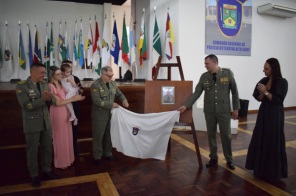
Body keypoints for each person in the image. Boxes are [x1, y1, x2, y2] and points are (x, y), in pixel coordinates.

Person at [178, 54, 240, 170]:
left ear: (214, 62)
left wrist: (235, 109)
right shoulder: (204, 77)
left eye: (207, 63)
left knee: (226, 135)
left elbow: (235, 92)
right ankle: (213, 158)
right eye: (205, 63)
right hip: (210, 111)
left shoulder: (227, 74)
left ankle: (229, 159)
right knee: (211, 135)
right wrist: (186, 105)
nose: (205, 66)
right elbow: (197, 93)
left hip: (223, 111)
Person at [16, 62, 59, 187]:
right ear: (33, 72)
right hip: (32, 123)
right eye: (42, 73)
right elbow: (27, 106)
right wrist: (43, 100)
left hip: (46, 121)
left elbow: (51, 102)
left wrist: (50, 98)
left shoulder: (45, 84)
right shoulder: (22, 86)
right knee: (32, 150)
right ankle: (34, 174)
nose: (44, 75)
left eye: (45, 73)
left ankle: (47, 170)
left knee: (47, 147)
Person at [245, 58, 288, 181]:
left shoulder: (282, 82)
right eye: (264, 67)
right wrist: (261, 94)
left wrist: (266, 92)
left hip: (275, 114)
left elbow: (278, 100)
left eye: (266, 68)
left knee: (273, 139)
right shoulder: (264, 80)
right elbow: (258, 97)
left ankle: (272, 172)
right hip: (264, 112)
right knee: (261, 137)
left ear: (274, 69)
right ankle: (260, 169)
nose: (263, 70)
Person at [90, 66, 129, 165]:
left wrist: (124, 100)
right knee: (98, 136)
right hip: (99, 115)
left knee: (109, 134)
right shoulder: (95, 85)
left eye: (112, 76)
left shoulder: (112, 84)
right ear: (103, 74)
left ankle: (107, 153)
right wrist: (111, 105)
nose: (111, 78)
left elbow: (119, 94)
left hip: (111, 115)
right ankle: (97, 156)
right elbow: (97, 101)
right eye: (109, 76)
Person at [48, 66, 85, 169]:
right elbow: (58, 103)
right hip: (57, 112)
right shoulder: (50, 86)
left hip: (65, 111)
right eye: (58, 74)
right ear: (52, 75)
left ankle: (69, 160)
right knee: (59, 137)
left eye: (61, 73)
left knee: (67, 136)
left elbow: (71, 92)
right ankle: (61, 162)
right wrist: (74, 99)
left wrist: (77, 97)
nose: (60, 75)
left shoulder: (60, 83)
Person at [62, 60, 84, 156]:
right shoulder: (60, 78)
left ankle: (73, 147)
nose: (70, 69)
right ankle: (64, 149)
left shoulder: (75, 78)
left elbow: (81, 90)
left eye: (71, 68)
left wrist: (78, 90)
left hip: (74, 104)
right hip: (62, 106)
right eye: (68, 68)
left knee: (74, 128)